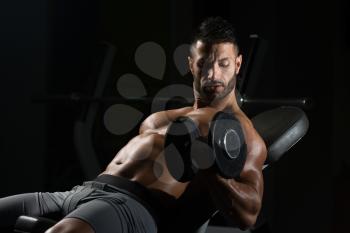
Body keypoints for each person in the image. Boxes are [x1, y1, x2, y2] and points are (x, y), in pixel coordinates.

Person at [0, 17, 267, 233]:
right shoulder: (166, 117)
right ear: (190, 65)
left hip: (130, 206)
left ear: (238, 64)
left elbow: (249, 215)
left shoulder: (241, 132)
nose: (213, 75)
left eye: (223, 64)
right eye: (204, 64)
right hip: (83, 192)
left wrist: (209, 166)